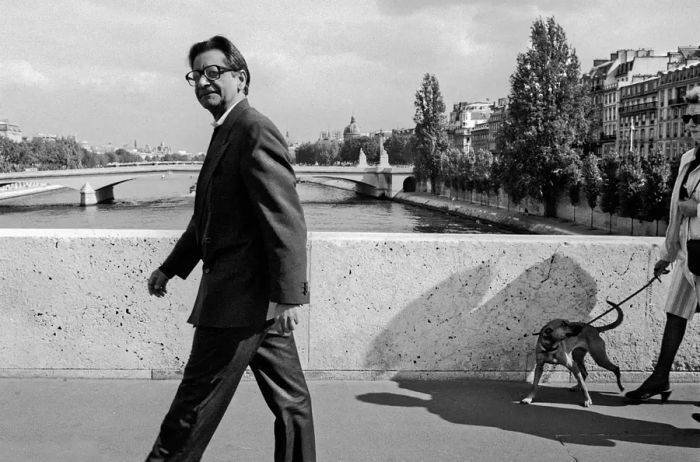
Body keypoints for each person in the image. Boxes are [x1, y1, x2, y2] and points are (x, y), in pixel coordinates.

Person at [145, 35, 315, 461]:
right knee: (293, 405)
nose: (204, 80)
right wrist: (170, 268)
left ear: (240, 77)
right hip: (253, 302)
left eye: (214, 71)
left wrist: (288, 295)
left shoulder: (253, 129)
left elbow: (286, 219)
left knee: (192, 410)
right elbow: (208, 219)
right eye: (197, 74)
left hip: (238, 304)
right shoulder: (227, 132)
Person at [625, 86, 700, 407]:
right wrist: (667, 255)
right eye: (687, 117)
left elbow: (688, 209)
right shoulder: (688, 159)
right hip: (690, 254)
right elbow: (675, 213)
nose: (690, 124)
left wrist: (696, 209)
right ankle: (660, 376)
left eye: (697, 117)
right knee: (675, 314)